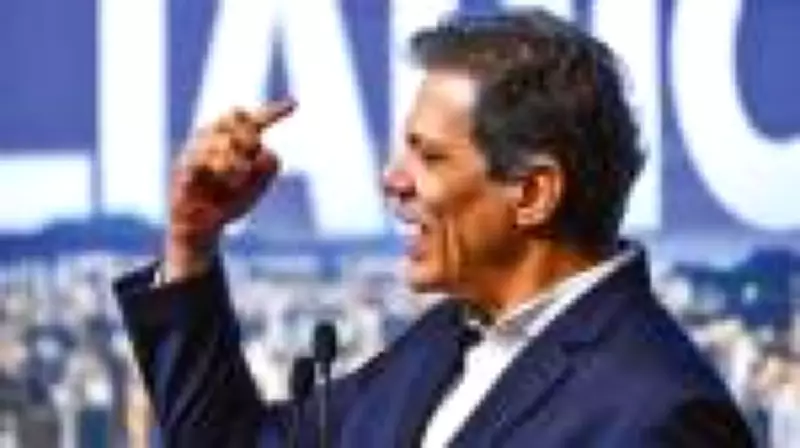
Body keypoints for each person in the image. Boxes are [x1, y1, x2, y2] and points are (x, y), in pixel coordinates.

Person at [114, 8, 755, 447]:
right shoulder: (443, 342)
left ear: (533, 193)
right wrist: (191, 241)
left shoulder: (660, 415)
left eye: (430, 156)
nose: (392, 179)